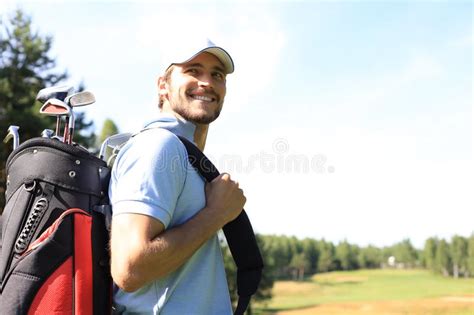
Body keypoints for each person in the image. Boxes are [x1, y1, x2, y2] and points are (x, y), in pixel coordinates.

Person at [109, 39, 245, 314]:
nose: (207, 81)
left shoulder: (183, 156)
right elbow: (129, 269)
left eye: (216, 74)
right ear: (163, 86)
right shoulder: (159, 146)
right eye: (193, 70)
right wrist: (216, 214)